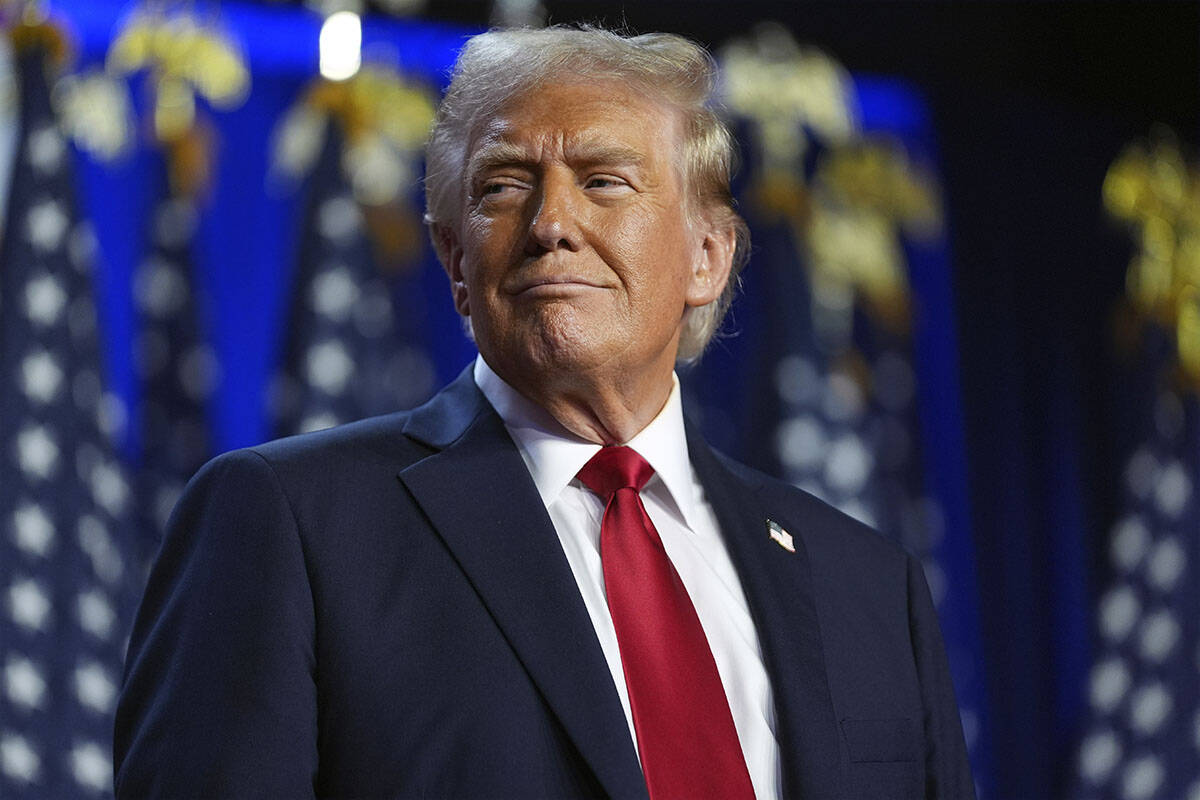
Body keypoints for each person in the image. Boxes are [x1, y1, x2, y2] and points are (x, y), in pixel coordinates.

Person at [114, 25, 974, 800]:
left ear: (708, 257)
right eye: (503, 186)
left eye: (603, 180)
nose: (551, 222)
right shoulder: (290, 525)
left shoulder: (866, 584)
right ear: (455, 261)